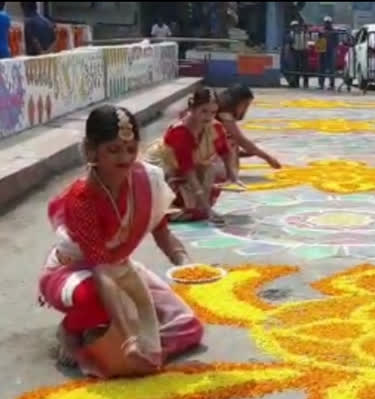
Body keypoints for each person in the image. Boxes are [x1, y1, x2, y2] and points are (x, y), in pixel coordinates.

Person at [38, 105, 204, 379]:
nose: (125, 158)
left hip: (121, 267)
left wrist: (185, 264)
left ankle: (109, 335)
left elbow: (161, 232)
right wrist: (129, 338)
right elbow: (101, 269)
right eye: (113, 150)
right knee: (95, 301)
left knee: (188, 326)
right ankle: (71, 330)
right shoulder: (81, 198)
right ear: (92, 151)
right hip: (76, 272)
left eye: (131, 149)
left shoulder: (145, 179)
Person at [144, 88, 237, 224]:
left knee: (215, 169)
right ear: (192, 109)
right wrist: (205, 205)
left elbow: (224, 150)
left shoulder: (215, 127)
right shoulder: (180, 132)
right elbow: (187, 169)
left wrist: (231, 174)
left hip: (186, 170)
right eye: (204, 111)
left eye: (213, 112)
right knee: (192, 207)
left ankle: (197, 208)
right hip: (165, 170)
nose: (209, 116)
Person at [216, 84, 281, 173]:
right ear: (237, 102)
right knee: (233, 142)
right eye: (245, 105)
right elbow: (241, 140)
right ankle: (229, 171)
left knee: (237, 143)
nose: (246, 109)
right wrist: (268, 158)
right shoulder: (224, 114)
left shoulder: (224, 111)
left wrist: (245, 152)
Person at [318, 16, 338, 90]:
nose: (327, 24)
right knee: (321, 68)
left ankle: (332, 84)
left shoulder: (334, 32)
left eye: (328, 23)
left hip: (330, 51)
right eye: (326, 23)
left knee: (331, 68)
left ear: (331, 23)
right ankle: (321, 84)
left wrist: (335, 50)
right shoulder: (321, 31)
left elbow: (336, 42)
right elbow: (318, 40)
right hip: (322, 50)